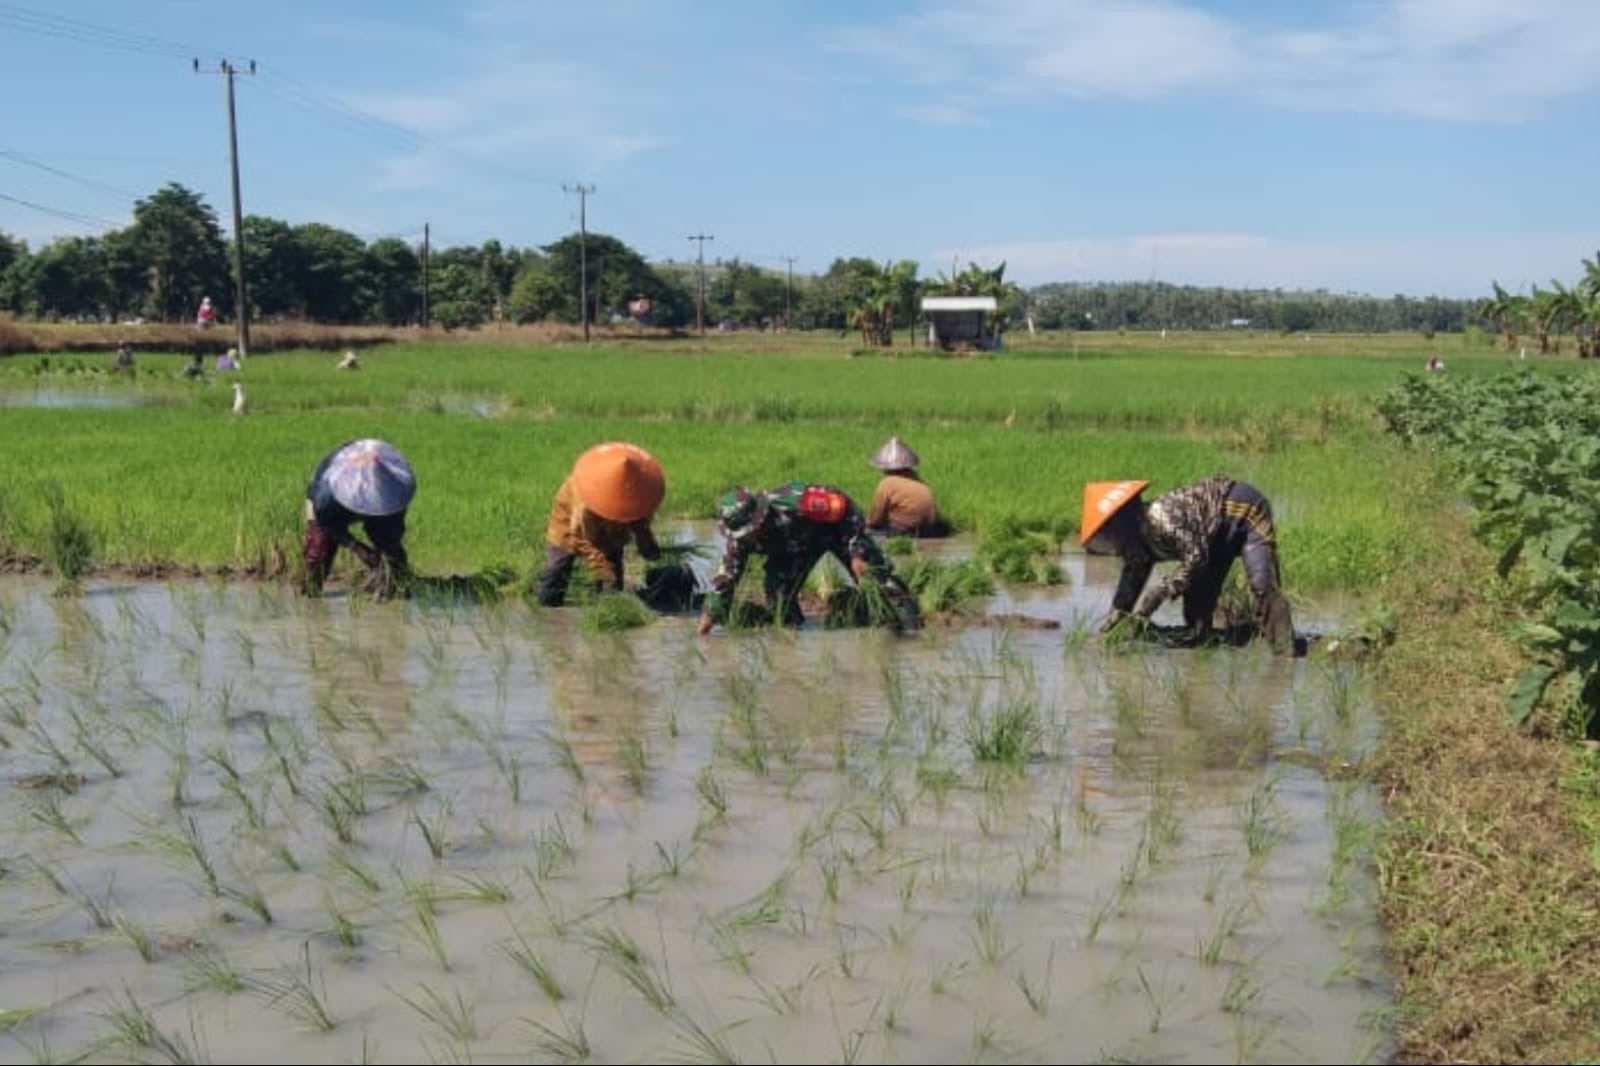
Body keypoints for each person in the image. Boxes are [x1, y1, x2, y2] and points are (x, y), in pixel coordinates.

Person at [1080, 476, 1294, 654]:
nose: (1112, 542)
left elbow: (1196, 556)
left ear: (1123, 523)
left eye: (1110, 534)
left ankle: (1285, 653)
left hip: (1243, 510)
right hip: (1213, 537)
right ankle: (1213, 639)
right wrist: (1115, 620)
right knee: (1197, 609)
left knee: (1262, 584)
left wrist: (1162, 591)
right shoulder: (1137, 545)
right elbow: (1131, 580)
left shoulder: (1161, 517)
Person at [696, 480, 918, 634]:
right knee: (779, 607)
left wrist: (856, 552)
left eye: (752, 531)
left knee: (875, 577)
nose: (750, 539)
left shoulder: (797, 502)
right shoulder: (740, 540)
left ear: (760, 517)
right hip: (791, 551)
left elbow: (847, 511)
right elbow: (725, 579)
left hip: (835, 531)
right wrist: (706, 623)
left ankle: (910, 624)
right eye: (745, 535)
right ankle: (792, 636)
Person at [535, 442, 665, 606]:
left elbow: (639, 520)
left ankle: (606, 608)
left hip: (612, 533)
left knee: (614, 587)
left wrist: (647, 544)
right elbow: (580, 539)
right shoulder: (583, 500)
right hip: (570, 531)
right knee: (556, 573)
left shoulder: (638, 489)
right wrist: (602, 569)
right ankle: (547, 609)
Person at [302, 439, 416, 598]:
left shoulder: (394, 487)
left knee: (390, 548)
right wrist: (356, 547)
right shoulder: (326, 493)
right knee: (318, 551)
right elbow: (326, 522)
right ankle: (310, 595)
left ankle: (397, 589)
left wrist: (387, 553)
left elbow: (394, 528)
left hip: (381, 499)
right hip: (331, 508)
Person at [866, 436, 947, 537]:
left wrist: (867, 523)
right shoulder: (920, 482)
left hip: (901, 530)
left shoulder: (886, 483)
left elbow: (875, 519)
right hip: (928, 530)